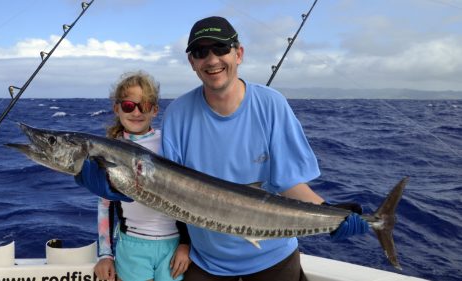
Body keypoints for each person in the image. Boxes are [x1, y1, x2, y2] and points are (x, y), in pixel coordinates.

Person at [160, 16, 369, 281]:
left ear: (239, 53)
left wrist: (329, 212)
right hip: (207, 263)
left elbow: (288, 181)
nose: (212, 60)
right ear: (192, 62)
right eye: (201, 52)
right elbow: (171, 192)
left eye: (221, 48)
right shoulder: (176, 114)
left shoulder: (272, 104)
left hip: (274, 259)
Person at [75, 71, 191, 281]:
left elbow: (188, 197)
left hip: (173, 244)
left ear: (155, 110)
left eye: (144, 105)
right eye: (129, 106)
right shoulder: (107, 149)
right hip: (132, 244)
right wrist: (105, 255)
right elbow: (104, 206)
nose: (136, 112)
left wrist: (185, 243)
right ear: (117, 108)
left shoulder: (169, 143)